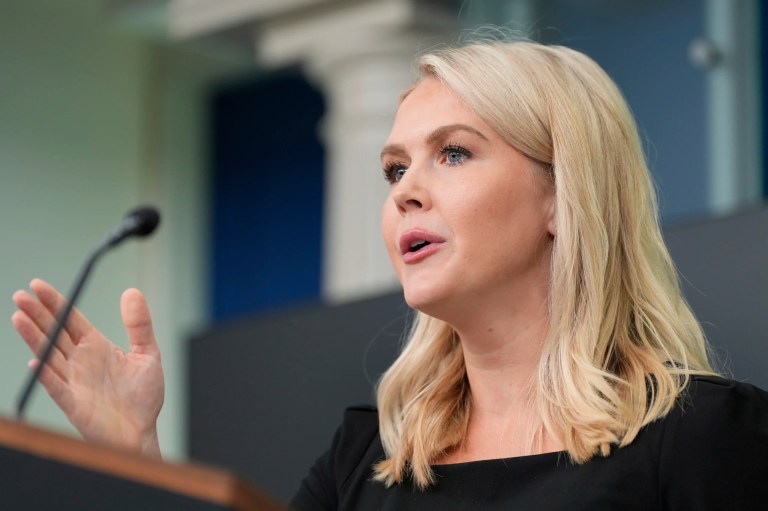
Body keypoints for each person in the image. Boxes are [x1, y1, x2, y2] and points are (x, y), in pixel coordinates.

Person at [12, 40, 768, 510]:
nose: (404, 188)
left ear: (563, 196)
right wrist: (132, 457)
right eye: (394, 167)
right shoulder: (367, 460)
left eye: (456, 152)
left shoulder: (702, 436)